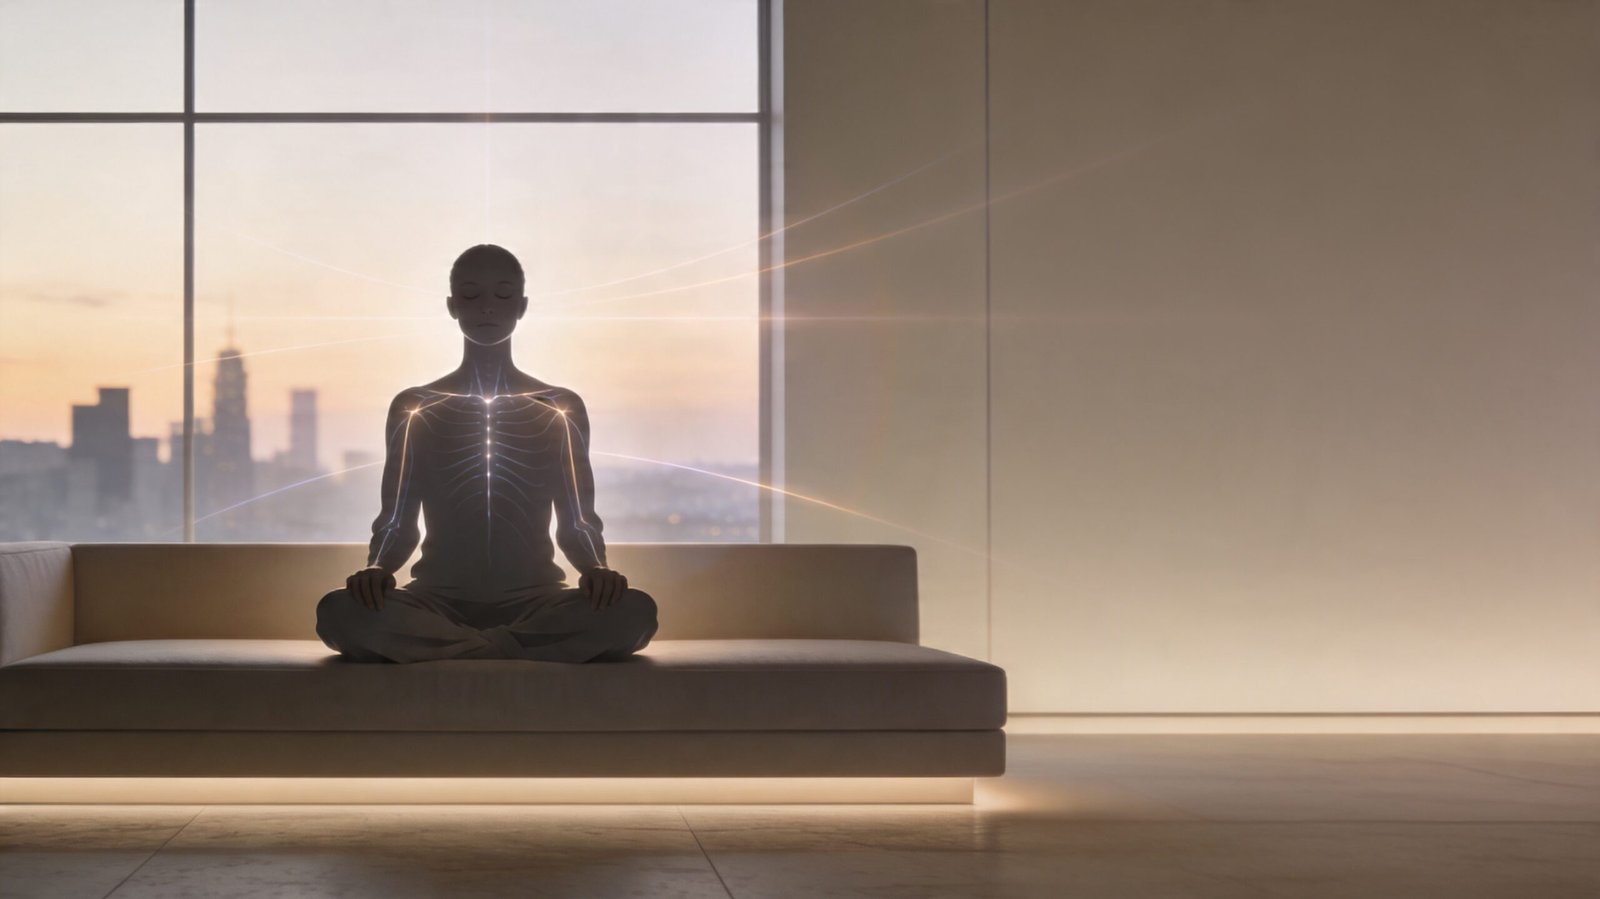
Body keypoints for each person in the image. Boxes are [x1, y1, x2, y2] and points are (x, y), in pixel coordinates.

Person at [315, 244, 658, 663]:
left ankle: (456, 649)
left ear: (523, 306)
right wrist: (378, 569)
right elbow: (396, 517)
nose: (488, 309)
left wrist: (596, 569)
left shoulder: (558, 406)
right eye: (472, 295)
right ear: (452, 306)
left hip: (538, 599)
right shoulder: (416, 406)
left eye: (503, 295)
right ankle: (513, 648)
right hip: (435, 599)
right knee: (339, 613)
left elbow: (578, 517)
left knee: (635, 612)